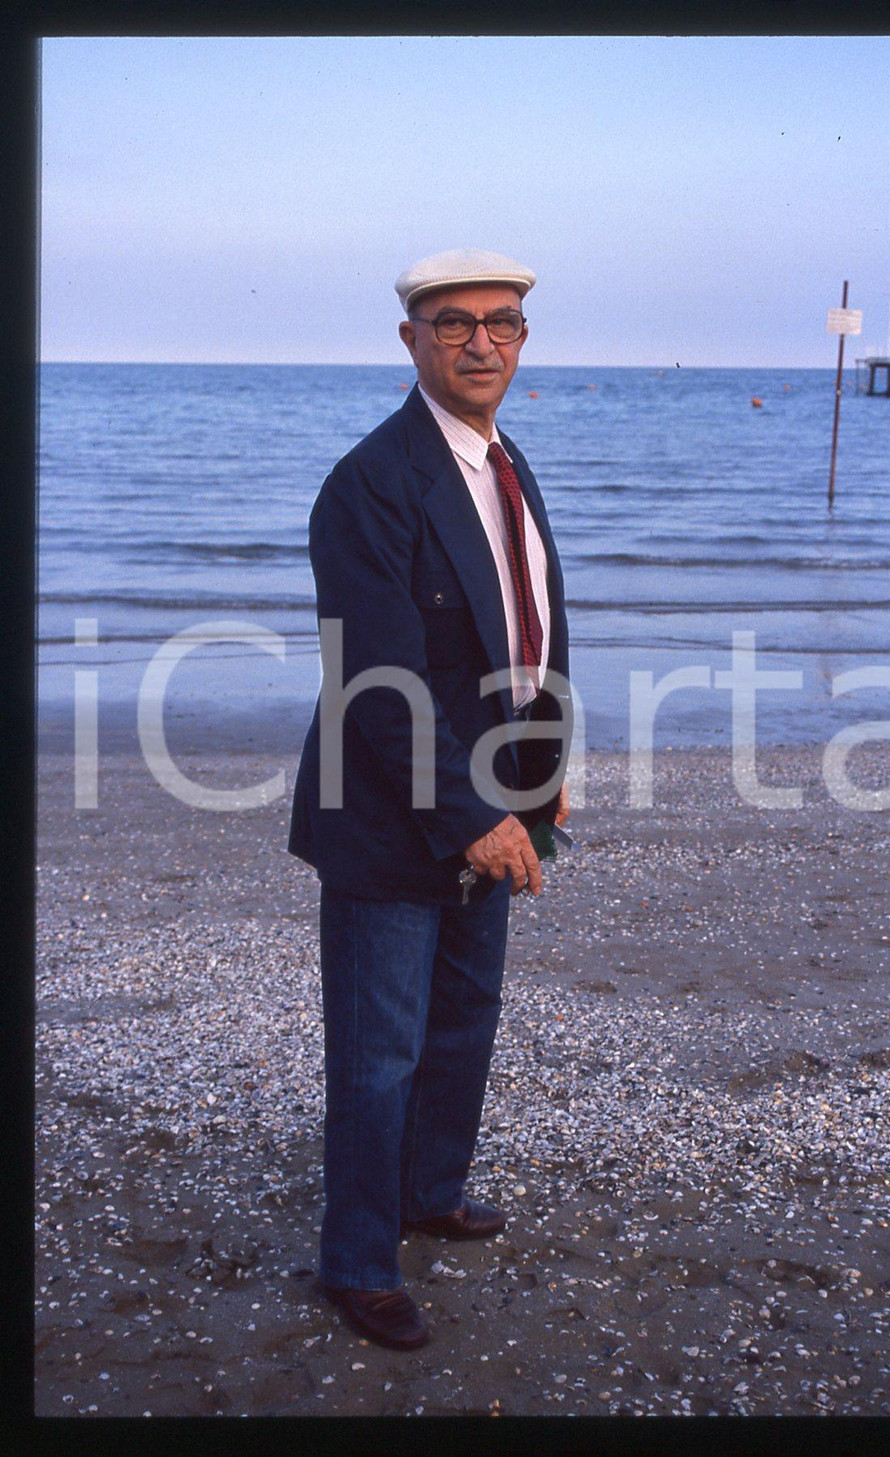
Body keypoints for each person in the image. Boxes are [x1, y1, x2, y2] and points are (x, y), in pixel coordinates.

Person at [288, 248, 571, 1350]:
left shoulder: (507, 461)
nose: (480, 341)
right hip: (387, 812)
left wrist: (539, 785)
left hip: (495, 795)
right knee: (379, 1050)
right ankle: (356, 1260)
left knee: (464, 1019)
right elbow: (377, 677)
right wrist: (475, 814)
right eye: (452, 323)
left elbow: (527, 633)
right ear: (410, 339)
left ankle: (430, 1190)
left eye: (501, 323)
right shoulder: (371, 481)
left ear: (522, 339)